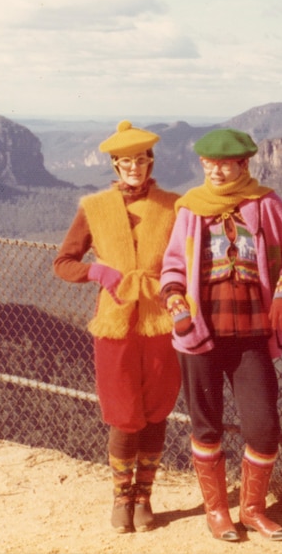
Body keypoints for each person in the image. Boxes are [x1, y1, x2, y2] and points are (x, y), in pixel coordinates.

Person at [159, 128, 282, 542]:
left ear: (244, 164)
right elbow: (172, 267)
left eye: (225, 163)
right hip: (199, 332)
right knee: (205, 424)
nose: (216, 170)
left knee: (263, 427)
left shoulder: (265, 204)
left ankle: (252, 509)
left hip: (250, 334)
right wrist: (177, 308)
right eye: (209, 163)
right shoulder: (191, 208)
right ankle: (217, 512)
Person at [53, 120, 181, 534]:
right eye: (126, 162)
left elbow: (187, 259)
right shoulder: (94, 208)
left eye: (140, 160)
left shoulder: (173, 206)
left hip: (162, 322)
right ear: (114, 164)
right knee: (125, 416)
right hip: (115, 323)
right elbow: (64, 262)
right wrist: (98, 274)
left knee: (157, 411)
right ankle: (121, 498)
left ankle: (145, 497)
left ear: (150, 162)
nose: (134, 168)